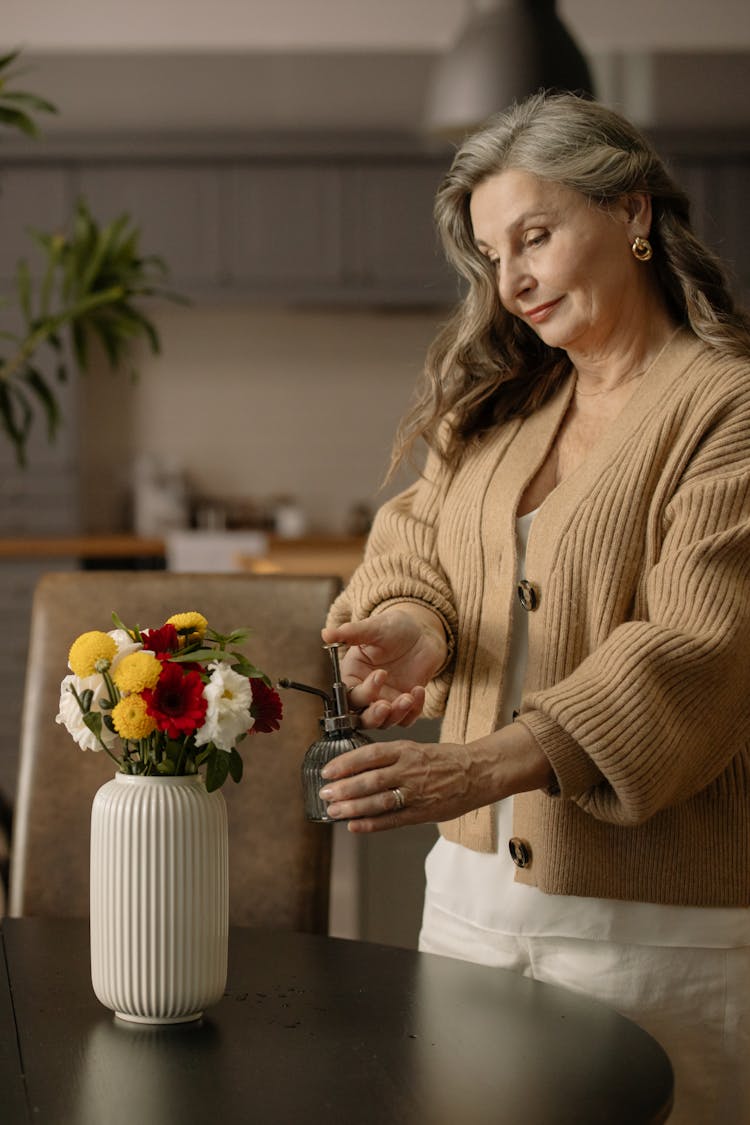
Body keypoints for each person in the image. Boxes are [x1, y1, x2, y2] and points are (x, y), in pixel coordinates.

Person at [319, 91, 750, 1123]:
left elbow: (699, 643)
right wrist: (411, 633)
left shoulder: (727, 405)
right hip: (469, 911)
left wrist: (476, 764)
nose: (510, 280)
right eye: (490, 252)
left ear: (634, 214)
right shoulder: (507, 405)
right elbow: (417, 545)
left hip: (653, 936)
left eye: (536, 237)